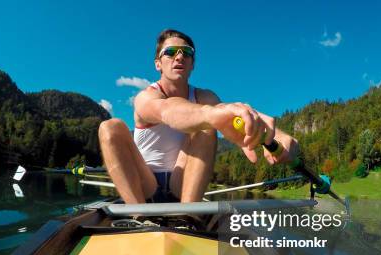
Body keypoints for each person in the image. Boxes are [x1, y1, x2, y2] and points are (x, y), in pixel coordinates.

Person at [99, 29, 299, 204]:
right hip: (145, 185)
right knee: (110, 127)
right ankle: (138, 216)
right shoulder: (146, 97)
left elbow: (231, 115)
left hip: (184, 184)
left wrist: (279, 138)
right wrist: (211, 114)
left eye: (186, 53)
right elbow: (168, 111)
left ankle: (188, 215)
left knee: (208, 123)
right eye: (170, 52)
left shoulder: (205, 97)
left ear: (192, 63)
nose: (179, 57)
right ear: (158, 64)